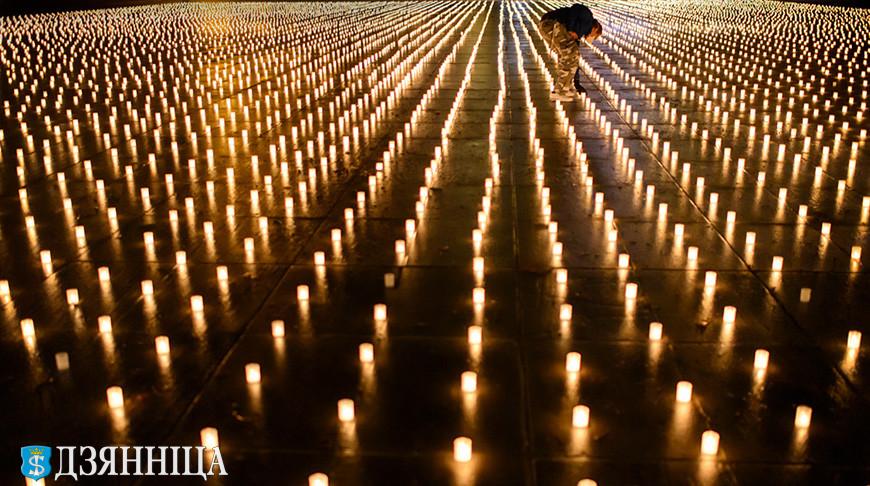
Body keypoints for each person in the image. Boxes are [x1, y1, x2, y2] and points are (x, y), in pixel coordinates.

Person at [539, 4, 602, 101]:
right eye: (595, 35)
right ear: (595, 28)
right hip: (553, 25)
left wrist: (576, 82)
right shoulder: (588, 17)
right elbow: (575, 9)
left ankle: (563, 88)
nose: (592, 38)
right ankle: (560, 91)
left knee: (569, 56)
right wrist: (570, 28)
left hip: (546, 26)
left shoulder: (579, 31)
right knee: (570, 55)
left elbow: (575, 56)